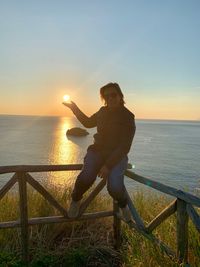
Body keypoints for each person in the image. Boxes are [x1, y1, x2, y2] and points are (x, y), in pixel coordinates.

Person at [63, 82, 136, 221]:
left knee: (114, 186)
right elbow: (88, 123)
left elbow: (125, 146)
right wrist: (74, 108)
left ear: (120, 96)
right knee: (86, 176)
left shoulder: (128, 117)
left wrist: (108, 166)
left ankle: (123, 205)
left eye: (113, 95)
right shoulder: (102, 112)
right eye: (106, 97)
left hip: (117, 155)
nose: (110, 99)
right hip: (97, 151)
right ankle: (76, 200)